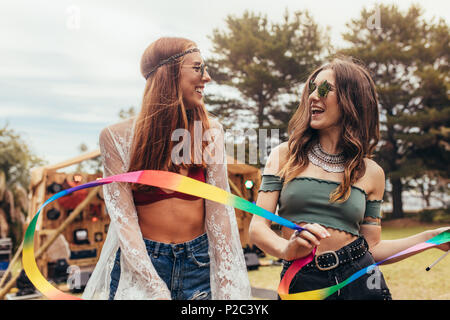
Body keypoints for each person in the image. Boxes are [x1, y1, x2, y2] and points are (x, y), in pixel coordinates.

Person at [249, 57, 449, 300]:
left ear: (351, 99)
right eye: (311, 88)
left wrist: (430, 238)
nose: (313, 96)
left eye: (324, 89)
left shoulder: (372, 172)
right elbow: (258, 228)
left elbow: (372, 248)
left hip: (360, 280)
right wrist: (288, 249)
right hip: (302, 282)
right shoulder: (284, 156)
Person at [82, 37, 251, 300]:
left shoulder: (211, 132)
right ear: (168, 73)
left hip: (198, 265)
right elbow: (123, 221)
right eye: (198, 68)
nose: (206, 77)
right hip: (142, 265)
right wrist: (153, 286)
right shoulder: (115, 138)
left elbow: (220, 214)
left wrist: (227, 280)